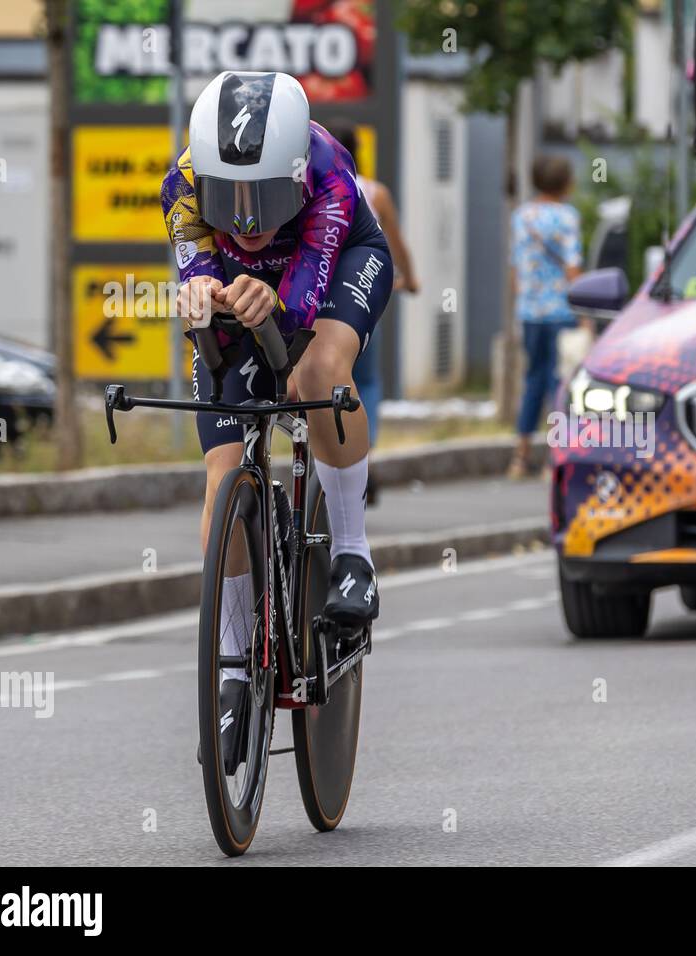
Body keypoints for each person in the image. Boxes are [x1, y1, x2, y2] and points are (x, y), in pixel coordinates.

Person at [162, 71, 392, 752]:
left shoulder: (328, 174)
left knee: (318, 371)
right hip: (243, 294)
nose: (250, 217)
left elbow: (296, 316)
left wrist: (279, 308)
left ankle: (351, 553)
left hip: (340, 264)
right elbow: (194, 272)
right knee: (221, 472)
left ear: (293, 177)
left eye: (265, 195)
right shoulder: (179, 185)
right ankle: (234, 663)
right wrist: (199, 292)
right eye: (229, 197)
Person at [325, 120, 420, 501]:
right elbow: (394, 244)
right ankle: (366, 453)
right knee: (366, 381)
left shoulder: (309, 186)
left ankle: (320, 452)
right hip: (357, 298)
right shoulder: (374, 192)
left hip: (314, 299)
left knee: (317, 375)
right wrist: (410, 280)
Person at [508, 154, 585, 479]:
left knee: (533, 381)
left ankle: (520, 458)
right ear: (565, 183)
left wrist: (523, 300)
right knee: (560, 385)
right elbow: (572, 268)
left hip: (530, 313)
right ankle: (554, 461)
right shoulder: (568, 217)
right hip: (561, 312)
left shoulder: (522, 216)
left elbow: (515, 269)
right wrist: (584, 311)